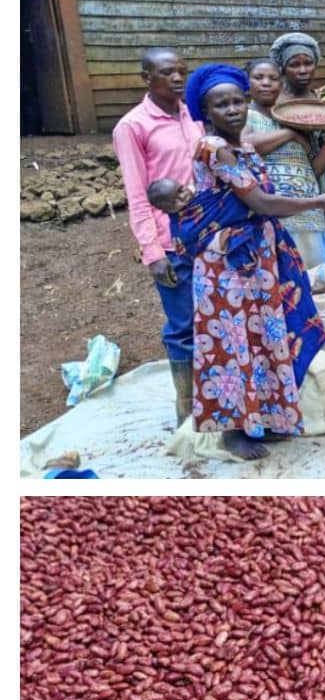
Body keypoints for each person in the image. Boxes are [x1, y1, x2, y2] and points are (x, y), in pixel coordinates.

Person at [175, 64, 325, 460]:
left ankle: (262, 418)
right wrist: (319, 201)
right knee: (231, 341)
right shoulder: (214, 149)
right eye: (220, 105)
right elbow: (260, 202)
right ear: (206, 113)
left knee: (261, 336)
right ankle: (231, 431)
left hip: (256, 254)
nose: (232, 110)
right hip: (225, 261)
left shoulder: (242, 146)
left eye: (237, 101)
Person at [112, 47, 204, 426]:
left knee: (215, 320)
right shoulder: (132, 126)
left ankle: (219, 404)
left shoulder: (192, 114)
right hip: (171, 242)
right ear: (146, 78)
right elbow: (137, 194)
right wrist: (153, 252)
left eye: (182, 70)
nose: (178, 78)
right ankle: (187, 410)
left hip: (207, 236)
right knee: (183, 326)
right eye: (168, 72)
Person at [241, 56, 325, 271]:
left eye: (273, 78)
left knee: (317, 283)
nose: (266, 83)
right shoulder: (246, 115)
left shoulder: (293, 118)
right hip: (275, 216)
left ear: (281, 84)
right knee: (284, 283)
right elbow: (245, 145)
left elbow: (314, 170)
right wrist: (289, 134)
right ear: (247, 84)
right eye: (258, 78)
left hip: (310, 215)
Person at [269, 31, 325, 268]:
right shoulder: (273, 103)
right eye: (295, 65)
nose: (303, 70)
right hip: (288, 188)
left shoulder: (322, 103)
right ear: (283, 68)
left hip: (323, 185)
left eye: (308, 63)